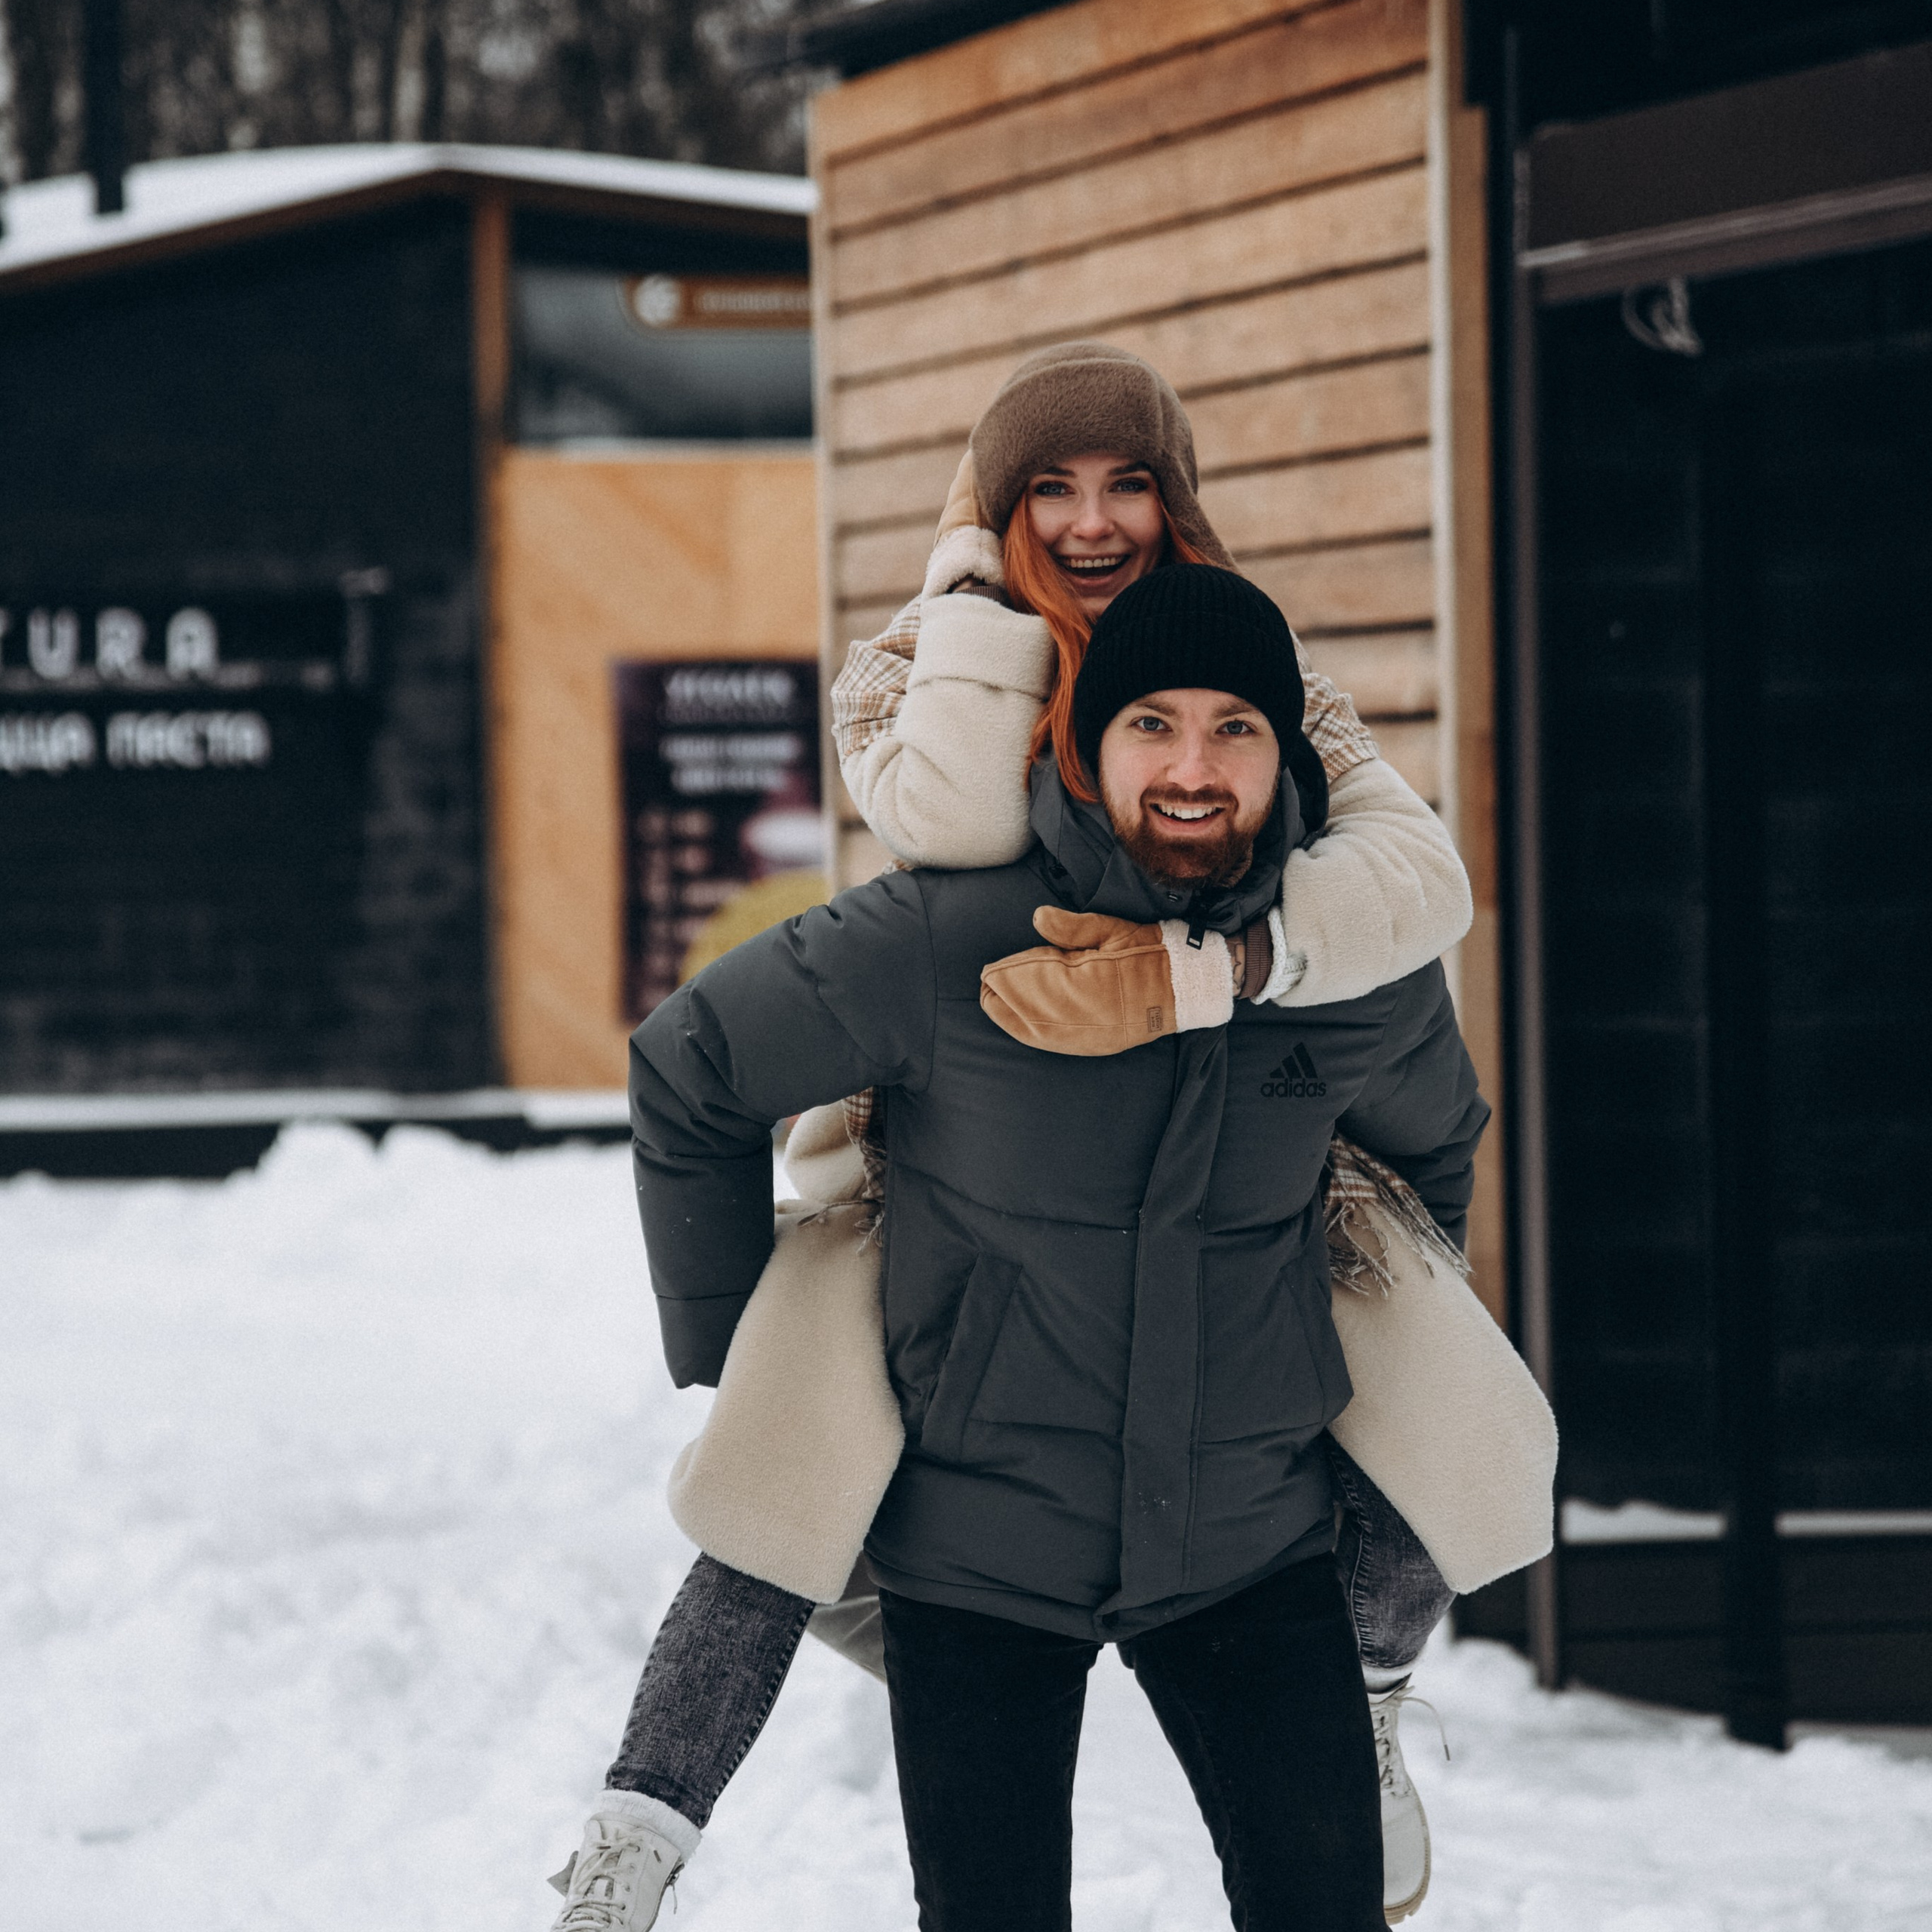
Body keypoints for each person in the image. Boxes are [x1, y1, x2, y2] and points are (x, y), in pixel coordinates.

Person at [546, 344, 1491, 1932]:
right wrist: (738, 1341)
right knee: (773, 1512)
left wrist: (1338, 1303)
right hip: (978, 1507)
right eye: (1048, 488)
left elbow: (1425, 1047)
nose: (1092, 517)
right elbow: (756, 1002)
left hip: (1239, 1524)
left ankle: (1373, 1690)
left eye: (1127, 482)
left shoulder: (1312, 867)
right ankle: (640, 1817)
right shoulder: (938, 819)